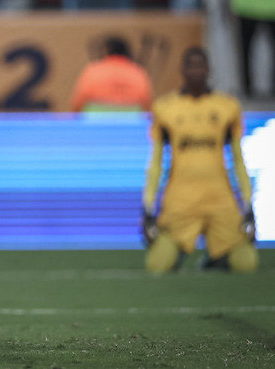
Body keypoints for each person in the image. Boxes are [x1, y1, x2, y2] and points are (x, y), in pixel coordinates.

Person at [142, 47, 258, 274]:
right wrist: (147, 208)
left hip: (220, 199)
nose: (196, 71)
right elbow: (155, 163)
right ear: (182, 70)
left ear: (208, 69)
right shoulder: (165, 107)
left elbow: (238, 160)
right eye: (191, 65)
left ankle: (216, 258)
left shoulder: (227, 106)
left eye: (200, 65)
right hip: (180, 200)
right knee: (157, 266)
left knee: (246, 265)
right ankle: (182, 251)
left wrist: (247, 202)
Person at [69, 37, 153, 112]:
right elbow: (146, 102)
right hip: (131, 122)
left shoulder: (93, 70)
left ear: (105, 51)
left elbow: (78, 102)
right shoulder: (137, 71)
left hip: (96, 123)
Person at [230, 0, 275, 98]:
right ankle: (246, 88)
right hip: (247, 7)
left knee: (245, 50)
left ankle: (246, 88)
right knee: (245, 50)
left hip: (247, 7)